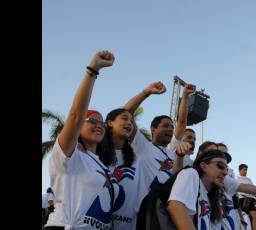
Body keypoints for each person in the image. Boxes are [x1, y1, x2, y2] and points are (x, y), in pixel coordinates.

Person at [45, 51, 121, 229]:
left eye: (102, 123)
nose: (99, 125)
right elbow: (76, 116)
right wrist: (92, 70)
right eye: (93, 120)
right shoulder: (68, 154)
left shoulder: (103, 165)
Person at [107, 81, 195, 229]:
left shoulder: (173, 152)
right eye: (165, 126)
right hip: (145, 211)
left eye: (171, 127)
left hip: (168, 212)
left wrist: (185, 96)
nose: (170, 129)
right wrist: (146, 92)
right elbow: (125, 113)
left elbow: (182, 122)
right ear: (153, 129)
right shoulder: (143, 146)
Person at [167, 149, 231, 229]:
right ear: (203, 166)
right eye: (221, 166)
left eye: (227, 169)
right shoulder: (191, 173)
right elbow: (175, 206)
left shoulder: (209, 198)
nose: (225, 172)